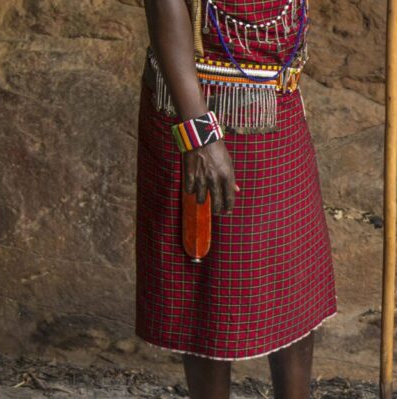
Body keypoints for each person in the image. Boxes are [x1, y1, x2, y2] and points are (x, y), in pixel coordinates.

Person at [136, 1, 335, 398]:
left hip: (276, 94)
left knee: (294, 281)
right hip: (202, 106)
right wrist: (199, 134)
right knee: (203, 282)